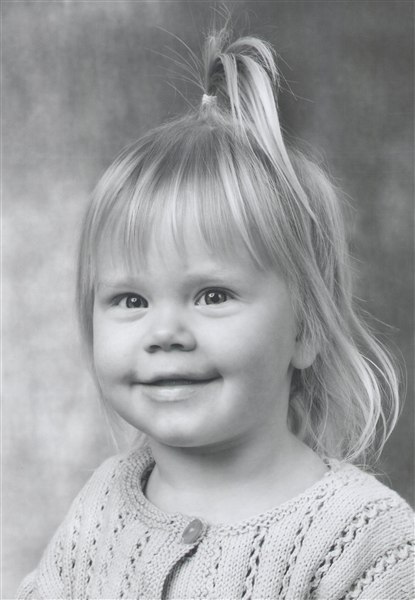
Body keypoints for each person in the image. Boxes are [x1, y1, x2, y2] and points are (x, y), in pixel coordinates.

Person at [17, 26, 413, 600]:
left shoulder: (364, 541)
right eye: (131, 300)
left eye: (212, 295)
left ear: (305, 327)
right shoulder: (103, 504)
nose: (165, 333)